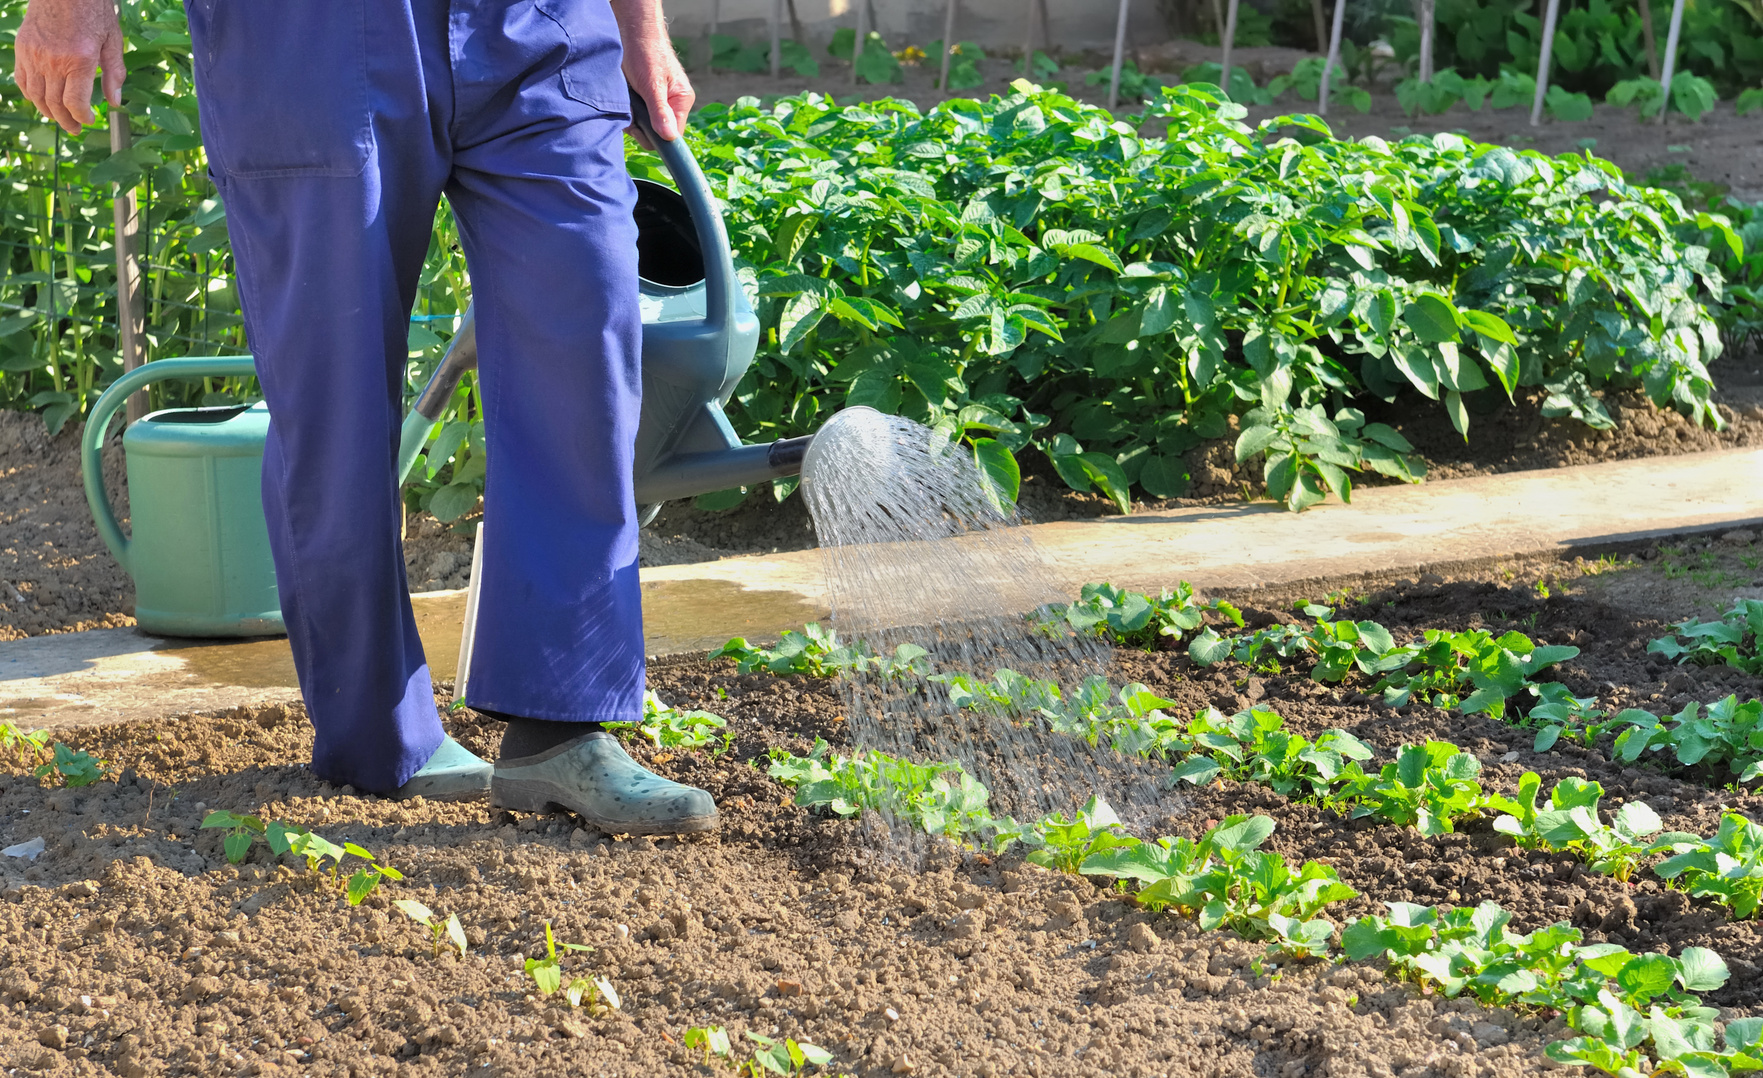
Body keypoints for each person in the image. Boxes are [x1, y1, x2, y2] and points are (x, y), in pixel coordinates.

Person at [14, 0, 718, 835]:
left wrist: (640, 26)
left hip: (540, 27)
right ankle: (381, 734)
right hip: (314, 35)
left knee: (585, 343)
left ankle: (558, 729)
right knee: (334, 384)